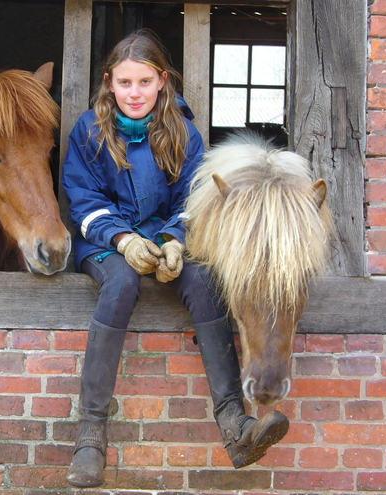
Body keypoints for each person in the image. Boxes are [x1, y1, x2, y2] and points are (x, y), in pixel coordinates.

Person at [61, 29, 289, 488]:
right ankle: (90, 437)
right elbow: (82, 201)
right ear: (109, 82)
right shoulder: (88, 130)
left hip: (164, 240)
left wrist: (174, 240)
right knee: (122, 282)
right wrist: (122, 239)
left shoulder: (184, 133)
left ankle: (236, 426)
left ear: (162, 80)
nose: (134, 93)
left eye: (144, 82)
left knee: (205, 282)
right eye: (124, 83)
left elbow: (194, 199)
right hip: (105, 243)